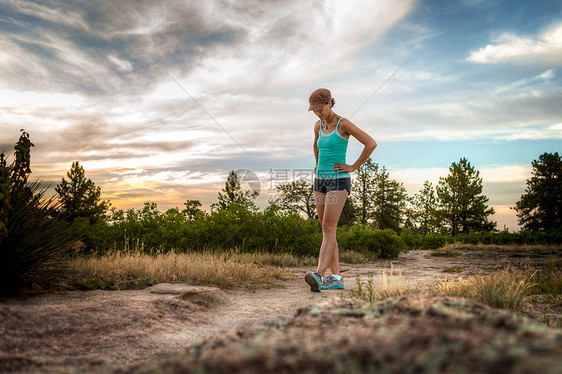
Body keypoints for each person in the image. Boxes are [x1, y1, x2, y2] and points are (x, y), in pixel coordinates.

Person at [305, 88, 377, 292]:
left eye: (320, 108)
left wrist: (353, 166)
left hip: (338, 180)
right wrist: (318, 163)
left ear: (329, 103)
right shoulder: (318, 126)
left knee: (329, 227)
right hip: (320, 180)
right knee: (326, 230)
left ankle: (319, 275)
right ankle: (336, 277)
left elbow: (370, 143)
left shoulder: (343, 124)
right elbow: (316, 146)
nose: (317, 113)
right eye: (314, 110)